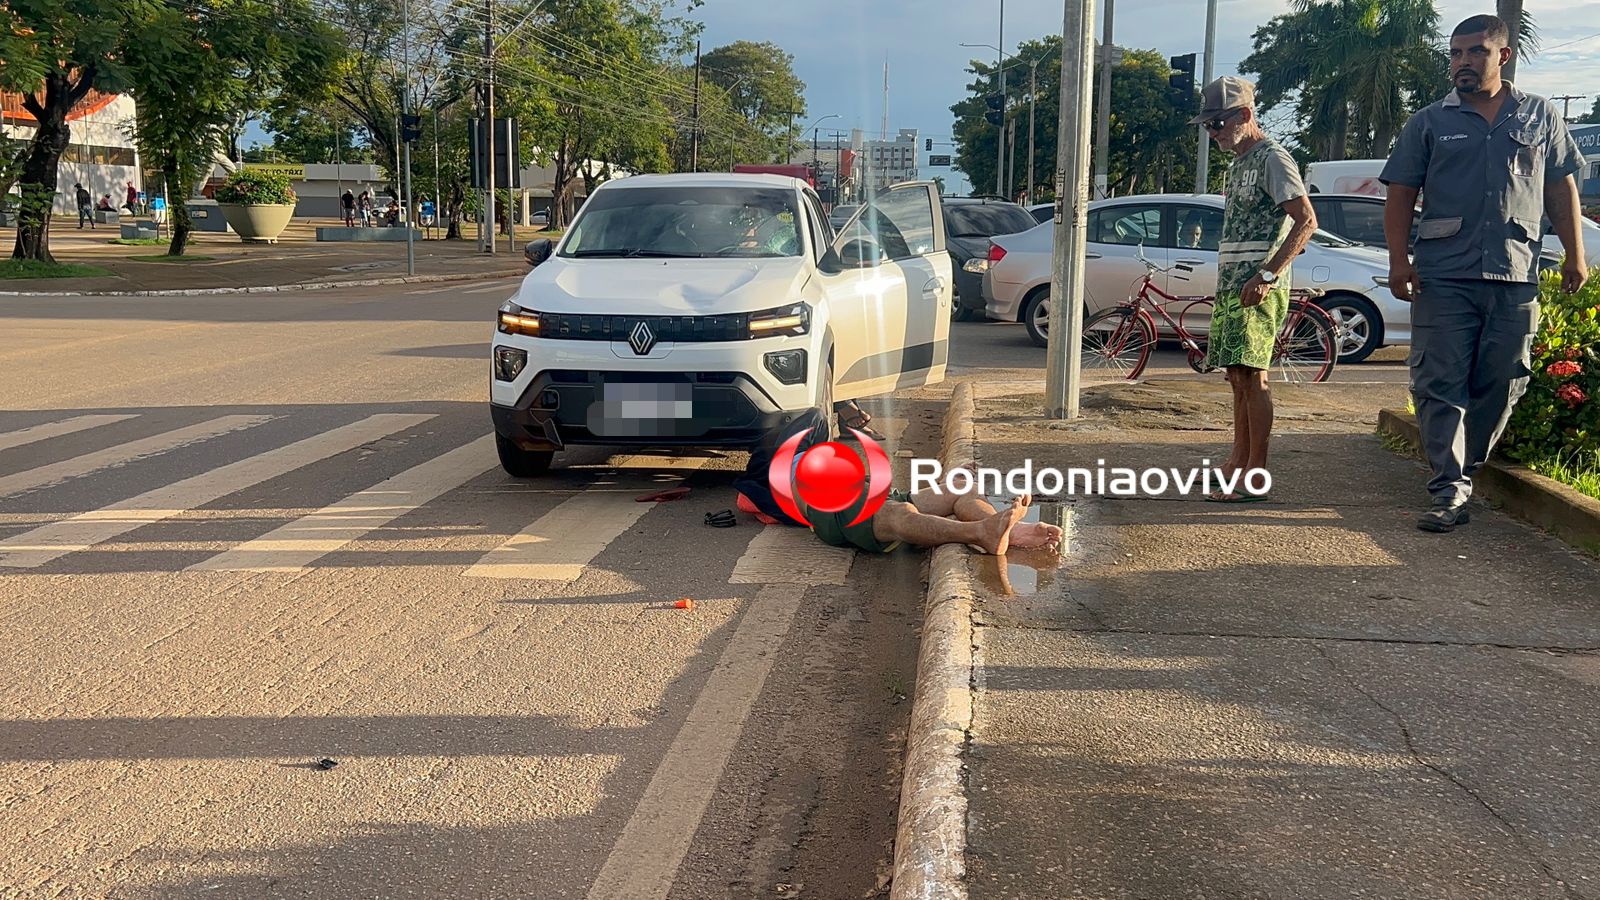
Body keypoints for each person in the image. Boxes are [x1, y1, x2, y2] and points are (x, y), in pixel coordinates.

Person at [1380, 14, 1588, 533]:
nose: (1463, 63)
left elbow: (1560, 188)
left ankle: (1465, 472)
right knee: (1439, 380)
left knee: (1503, 380)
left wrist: (1575, 254)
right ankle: (1449, 488)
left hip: (1515, 272)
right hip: (1444, 274)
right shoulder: (1428, 122)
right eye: (1455, 54)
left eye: (1475, 52)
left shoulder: (1540, 116)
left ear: (1504, 55)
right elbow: (1401, 194)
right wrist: (1398, 261)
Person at [1191, 76, 1318, 503]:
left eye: (1218, 124)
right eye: (1207, 126)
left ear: (1245, 115)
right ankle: (1236, 462)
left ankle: (1255, 474)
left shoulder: (1273, 158)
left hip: (1258, 284)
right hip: (1232, 283)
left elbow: (1306, 221)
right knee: (1236, 377)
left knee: (1254, 375)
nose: (1214, 134)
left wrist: (1267, 275)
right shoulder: (1239, 161)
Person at [734, 412, 1063, 556]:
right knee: (895, 513)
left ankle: (1008, 531)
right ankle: (980, 532)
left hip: (867, 490)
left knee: (959, 488)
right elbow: (749, 499)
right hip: (830, 506)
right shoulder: (776, 471)